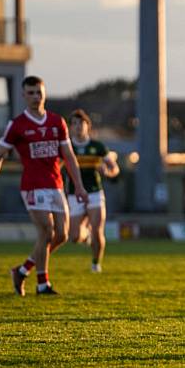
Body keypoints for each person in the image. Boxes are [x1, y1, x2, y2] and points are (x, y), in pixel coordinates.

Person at [0, 76, 88, 295]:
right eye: (31, 93)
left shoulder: (57, 122)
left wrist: (79, 186)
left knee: (62, 236)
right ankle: (42, 284)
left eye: (39, 92)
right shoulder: (17, 125)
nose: (36, 97)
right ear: (23, 96)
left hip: (55, 185)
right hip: (32, 186)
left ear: (44, 93)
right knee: (46, 232)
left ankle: (22, 269)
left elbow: (69, 156)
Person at [66, 109, 120, 273]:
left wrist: (108, 172)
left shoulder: (97, 147)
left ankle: (96, 263)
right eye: (74, 124)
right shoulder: (67, 147)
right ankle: (85, 235)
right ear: (70, 127)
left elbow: (114, 168)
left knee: (98, 230)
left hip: (95, 193)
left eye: (81, 123)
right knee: (74, 237)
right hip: (74, 194)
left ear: (88, 126)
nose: (78, 127)